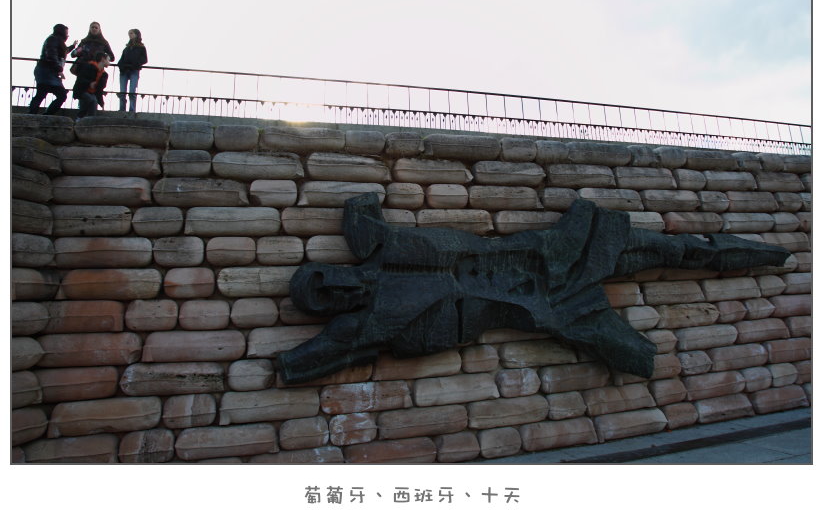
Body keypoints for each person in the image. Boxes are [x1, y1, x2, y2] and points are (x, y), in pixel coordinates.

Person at [277, 193, 791, 384]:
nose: (336, 285)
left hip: (554, 252)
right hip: (550, 308)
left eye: (326, 276)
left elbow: (360, 207)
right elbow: (309, 360)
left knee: (679, 250)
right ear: (328, 308)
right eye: (324, 295)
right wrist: (284, 368)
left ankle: (765, 255)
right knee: (632, 355)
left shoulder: (376, 242)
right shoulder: (364, 327)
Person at [28, 24, 78, 115]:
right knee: (51, 94)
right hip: (46, 71)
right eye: (66, 33)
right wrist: (59, 69)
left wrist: (73, 46)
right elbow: (51, 55)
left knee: (45, 94)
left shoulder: (56, 40)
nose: (67, 35)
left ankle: (36, 114)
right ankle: (36, 114)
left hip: (47, 71)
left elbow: (63, 51)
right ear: (62, 32)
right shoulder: (53, 40)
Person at [117, 28, 148, 112]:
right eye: (129, 33)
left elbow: (145, 59)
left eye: (131, 33)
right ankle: (122, 109)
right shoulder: (126, 48)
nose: (130, 35)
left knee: (132, 91)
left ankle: (132, 109)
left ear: (136, 35)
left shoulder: (141, 48)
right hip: (124, 71)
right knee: (122, 92)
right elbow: (121, 59)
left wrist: (136, 64)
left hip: (134, 70)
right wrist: (121, 66)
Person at [72, 51, 110, 118]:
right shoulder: (89, 66)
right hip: (82, 90)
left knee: (93, 101)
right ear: (103, 59)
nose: (109, 62)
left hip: (91, 93)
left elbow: (99, 89)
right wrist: (89, 83)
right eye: (108, 60)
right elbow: (80, 79)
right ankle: (81, 117)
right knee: (91, 99)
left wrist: (101, 103)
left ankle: (89, 119)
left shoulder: (104, 74)